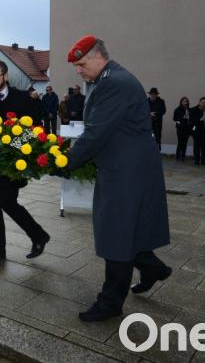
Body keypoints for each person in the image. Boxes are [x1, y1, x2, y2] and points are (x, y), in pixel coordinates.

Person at [62, 35, 171, 322]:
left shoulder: (113, 83)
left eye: (82, 64)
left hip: (126, 172)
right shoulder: (108, 79)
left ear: (99, 56)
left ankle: (110, 302)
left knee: (117, 234)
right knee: (127, 228)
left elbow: (96, 133)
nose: (79, 70)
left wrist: (63, 162)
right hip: (126, 167)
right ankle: (153, 269)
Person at [0, 59, 51, 265]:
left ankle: (38, 235)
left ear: (5, 76)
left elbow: (35, 128)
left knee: (7, 203)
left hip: (12, 164)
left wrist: (13, 145)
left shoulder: (23, 99)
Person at [190, 97, 205, 165]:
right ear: (199, 102)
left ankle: (204, 160)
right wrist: (200, 119)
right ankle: (196, 160)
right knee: (197, 146)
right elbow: (191, 121)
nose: (204, 104)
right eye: (203, 102)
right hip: (197, 131)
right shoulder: (193, 109)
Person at [173, 97, 192, 161]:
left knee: (185, 142)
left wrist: (188, 117)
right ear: (181, 102)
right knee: (180, 142)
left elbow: (191, 119)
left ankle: (183, 156)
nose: (185, 103)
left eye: (186, 101)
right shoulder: (177, 109)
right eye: (184, 101)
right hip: (180, 128)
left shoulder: (189, 109)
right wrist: (182, 117)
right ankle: (178, 155)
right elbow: (174, 119)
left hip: (187, 128)